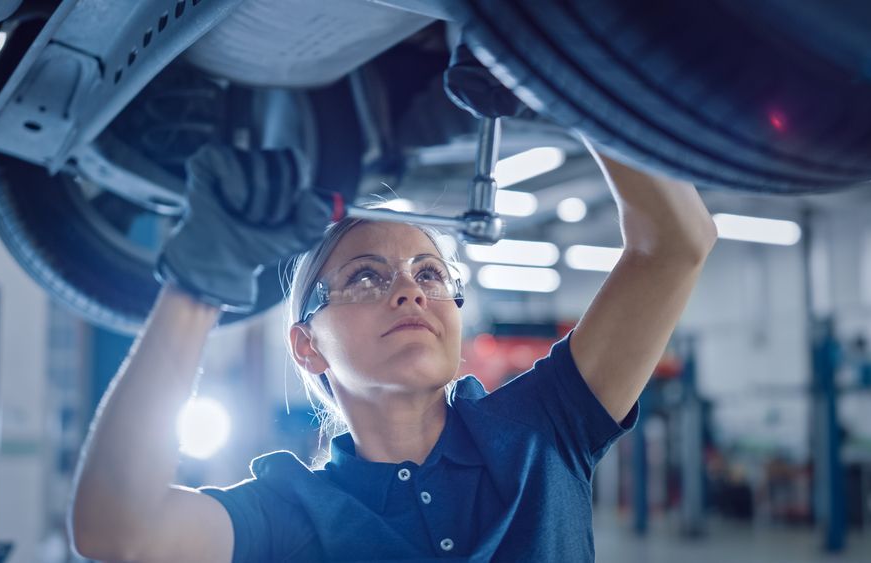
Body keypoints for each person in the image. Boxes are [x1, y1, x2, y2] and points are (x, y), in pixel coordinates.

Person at [68, 136, 717, 561]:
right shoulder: (289, 513)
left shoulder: (542, 428)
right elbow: (116, 532)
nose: (408, 289)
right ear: (307, 346)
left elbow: (678, 242)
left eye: (429, 273)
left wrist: (561, 69)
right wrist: (199, 285)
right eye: (366, 276)